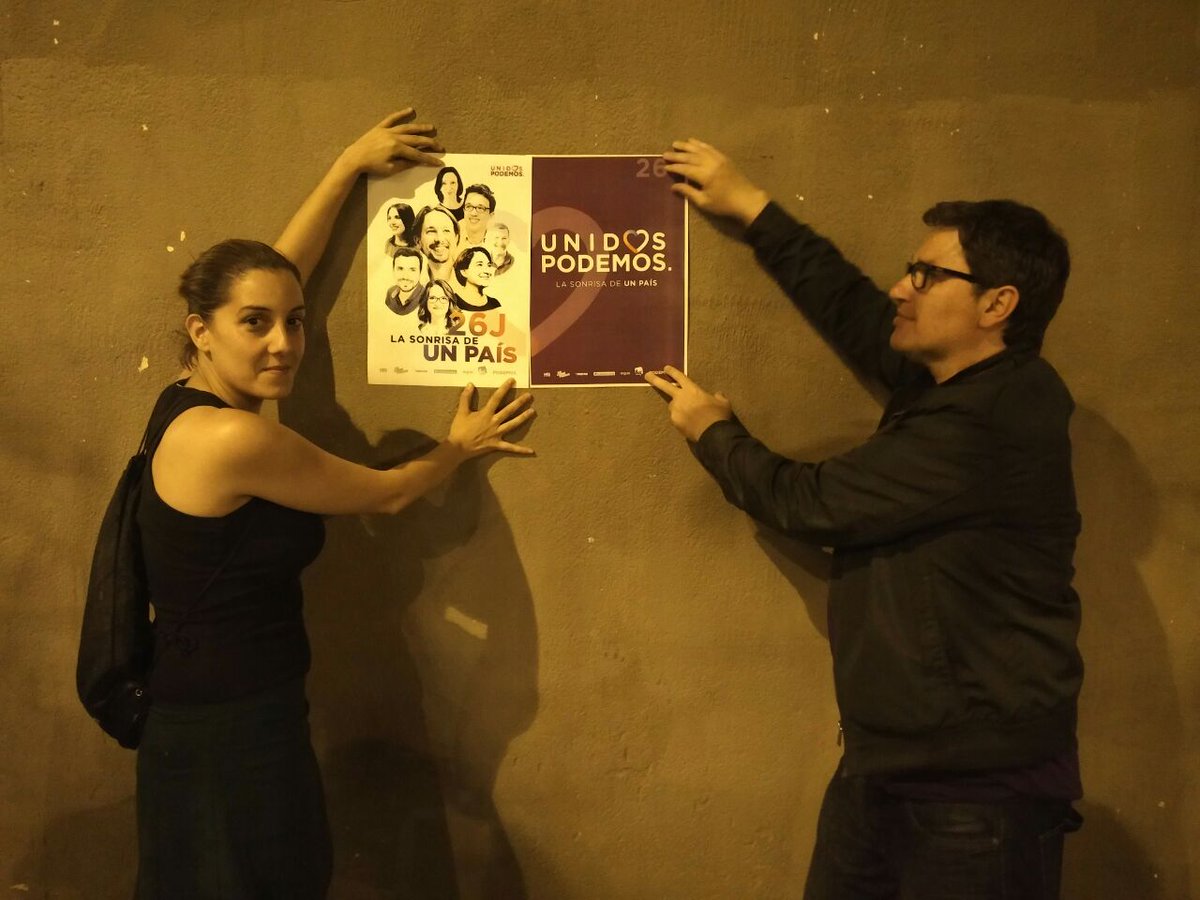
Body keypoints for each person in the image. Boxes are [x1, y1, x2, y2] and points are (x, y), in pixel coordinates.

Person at [649, 138, 1083, 900]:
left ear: (997, 304)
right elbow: (852, 308)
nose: (900, 287)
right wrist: (750, 206)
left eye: (927, 275)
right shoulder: (948, 386)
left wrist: (713, 432)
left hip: (976, 800)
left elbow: (812, 503)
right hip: (888, 771)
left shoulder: (994, 418)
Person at [132, 110, 535, 899]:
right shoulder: (236, 440)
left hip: (210, 711)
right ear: (200, 331)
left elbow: (281, 272)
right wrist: (459, 446)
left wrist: (349, 167)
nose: (284, 343)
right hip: (229, 731)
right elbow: (387, 493)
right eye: (255, 324)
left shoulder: (183, 398)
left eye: (295, 323)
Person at [414, 203, 460, 282]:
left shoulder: (471, 281)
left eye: (446, 231)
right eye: (431, 231)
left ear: (456, 238)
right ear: (418, 241)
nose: (439, 239)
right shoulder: (412, 283)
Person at [452, 245, 501, 311]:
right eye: (479, 264)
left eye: (489, 265)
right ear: (463, 272)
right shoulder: (452, 302)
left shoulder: (494, 304)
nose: (487, 271)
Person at [384, 246, 427, 315]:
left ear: (420, 272)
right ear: (393, 270)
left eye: (412, 270)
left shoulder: (427, 296)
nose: (405, 276)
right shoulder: (390, 293)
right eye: (400, 269)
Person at [459, 183, 496, 247]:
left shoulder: (498, 243)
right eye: (469, 206)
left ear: (491, 215)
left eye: (480, 208)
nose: (473, 213)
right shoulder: (452, 240)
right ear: (464, 210)